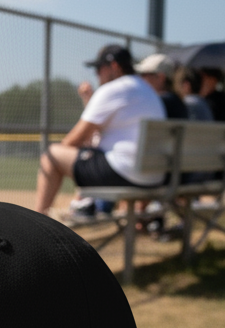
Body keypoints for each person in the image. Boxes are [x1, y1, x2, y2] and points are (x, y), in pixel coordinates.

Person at [35, 44, 164, 215]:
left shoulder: (112, 89)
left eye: (99, 68)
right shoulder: (148, 91)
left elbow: (71, 142)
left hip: (125, 175)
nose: (96, 74)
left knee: (52, 155)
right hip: (155, 178)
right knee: (86, 156)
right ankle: (81, 203)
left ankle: (35, 224)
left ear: (114, 66)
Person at [134, 54, 187, 119]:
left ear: (161, 77)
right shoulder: (173, 100)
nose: (141, 78)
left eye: (144, 74)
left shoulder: (163, 101)